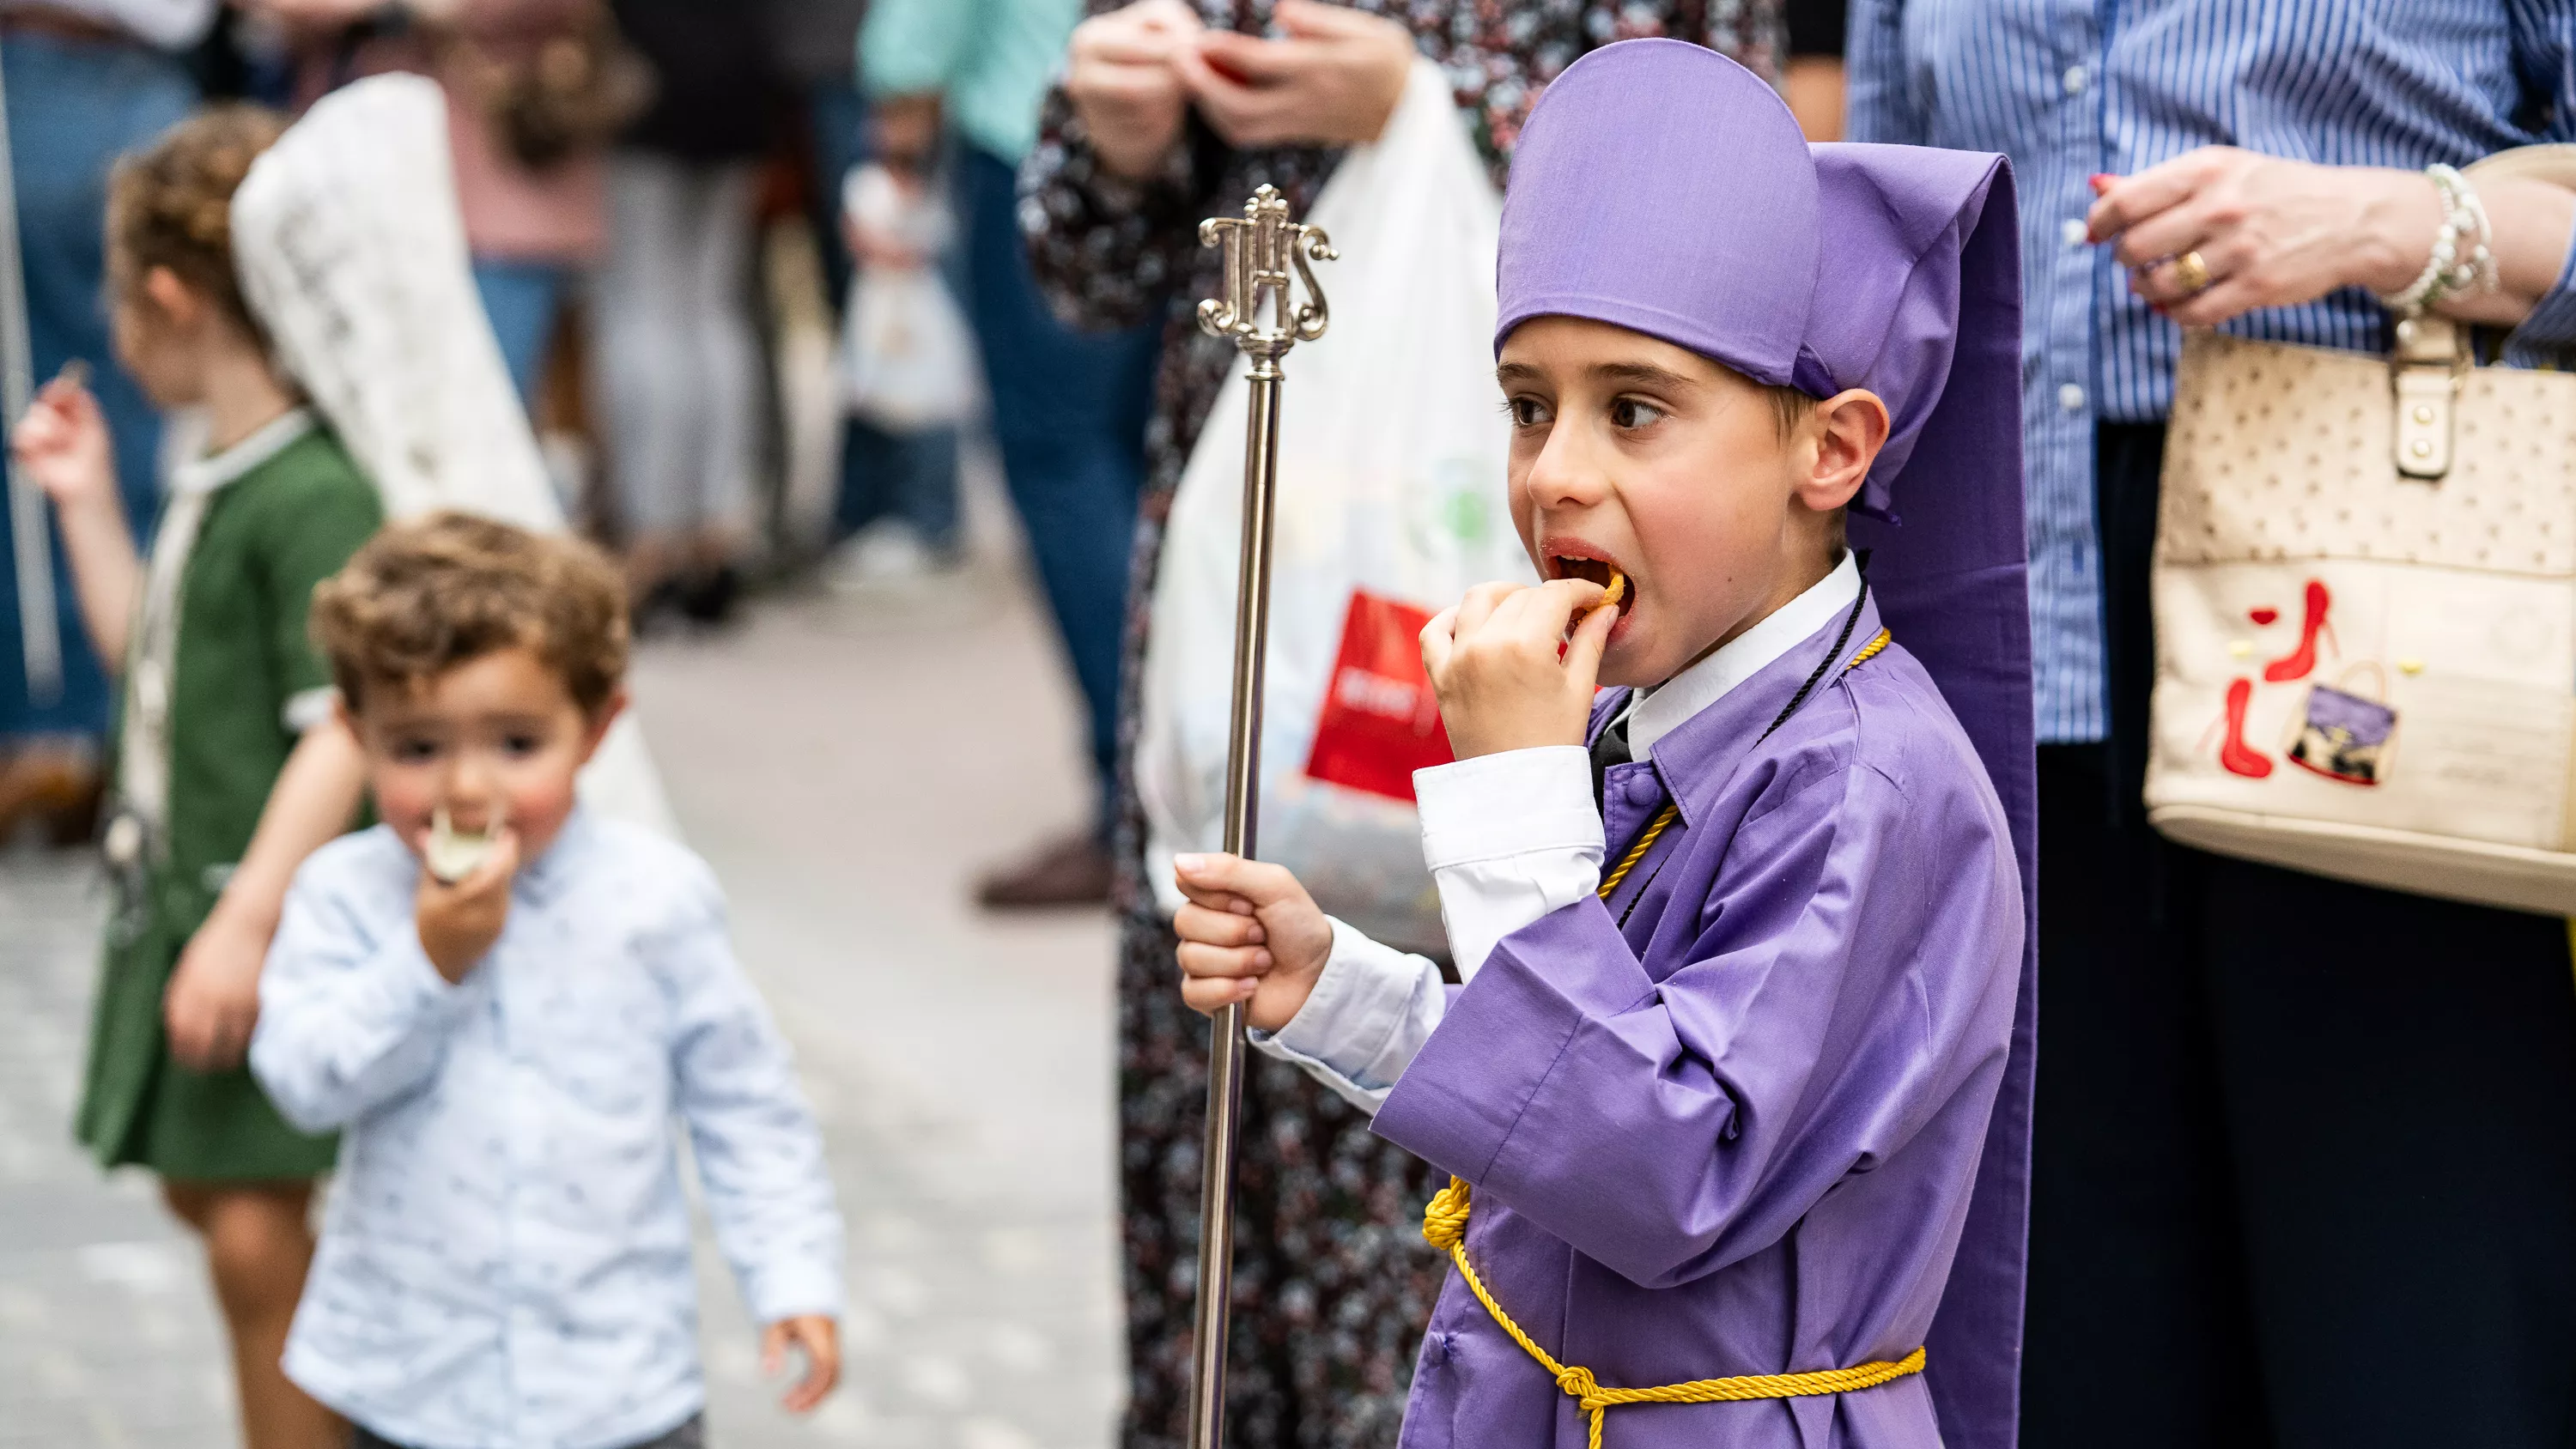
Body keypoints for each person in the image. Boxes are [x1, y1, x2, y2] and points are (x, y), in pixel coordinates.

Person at [1174, 39, 2037, 1449]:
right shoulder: (1653, 715)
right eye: (1530, 405)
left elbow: (1656, 1164)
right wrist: (1343, 990)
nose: (1558, 470)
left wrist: (1519, 799)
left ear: (1831, 450)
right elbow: (1580, 1067)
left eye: (1634, 409)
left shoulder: (1864, 785)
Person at [1021, 3, 1789, 1442]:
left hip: (1533, 516)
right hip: (1268, 554)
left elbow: (1730, 192)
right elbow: (1085, 268)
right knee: (1228, 1013)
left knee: (1496, 1108)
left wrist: (1436, 103)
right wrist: (1115, 137)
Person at [1847, 6, 2576, 1447]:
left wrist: (2387, 225)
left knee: (2417, 1342)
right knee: (2074, 1356)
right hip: (2002, 625)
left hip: (2380, 636)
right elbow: (1887, 229)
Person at [251, 512, 846, 1449]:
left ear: (597, 726)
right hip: (407, 1380)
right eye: (417, 747)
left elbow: (746, 1105)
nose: (467, 788)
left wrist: (794, 1275)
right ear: (353, 731)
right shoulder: (344, 894)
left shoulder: (655, 900)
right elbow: (302, 1083)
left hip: (617, 1385)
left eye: (517, 743)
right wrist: (428, 963)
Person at [9, 105, 382, 1449]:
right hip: (196, 898)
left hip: (255, 908)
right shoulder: (221, 472)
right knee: (219, 1206)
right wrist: (88, 503)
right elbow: (146, 659)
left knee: (251, 1233)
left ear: (167, 297)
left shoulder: (312, 494)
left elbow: (343, 722)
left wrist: (247, 922)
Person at [860, 0, 1162, 907]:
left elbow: (921, 29)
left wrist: (898, 126)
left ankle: (1134, 797)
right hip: (1178, 126)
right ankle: (1169, 782)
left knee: (1063, 461)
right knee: (1139, 463)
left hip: (1059, 133)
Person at [0, 0, 206, 841]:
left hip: (138, 79)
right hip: (49, 62)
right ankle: (71, 721)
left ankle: (100, 720)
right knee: (59, 416)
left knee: (110, 410)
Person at [593, 0, 780, 624]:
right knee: (712, 311)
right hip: (736, 82)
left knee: (645, 314)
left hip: (648, 87)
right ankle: (720, 527)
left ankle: (656, 536)